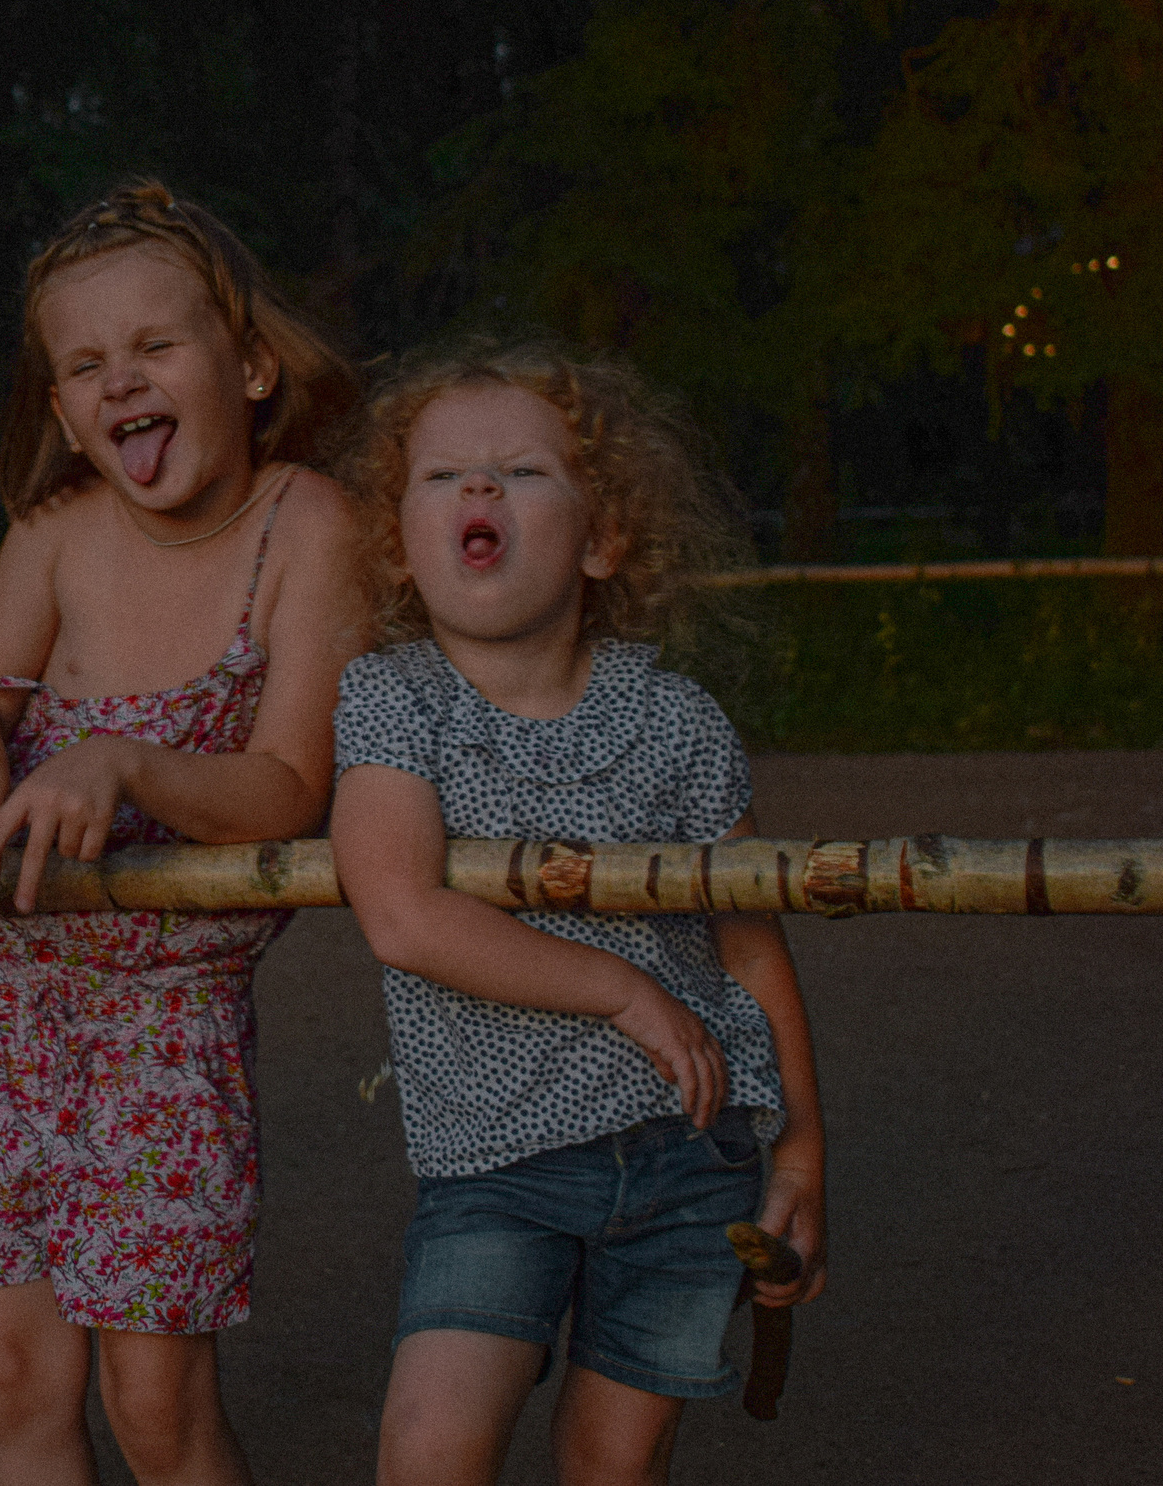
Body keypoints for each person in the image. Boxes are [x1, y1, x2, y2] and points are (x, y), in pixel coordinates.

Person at [0, 180, 369, 1485]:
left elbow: (287, 786)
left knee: (153, 1397)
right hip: (4, 1002)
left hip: (171, 1017)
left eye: (155, 348)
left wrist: (126, 761)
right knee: (12, 1378)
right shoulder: (52, 531)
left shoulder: (306, 527)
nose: (122, 382)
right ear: (60, 408)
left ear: (254, 363)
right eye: (85, 363)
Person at [328, 341, 829, 1486]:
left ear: (604, 537)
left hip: (689, 1157)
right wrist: (622, 990)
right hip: (494, 1169)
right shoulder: (394, 700)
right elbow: (402, 913)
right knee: (427, 1451)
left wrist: (797, 1144)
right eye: (441, 475)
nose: (478, 490)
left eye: (520, 470)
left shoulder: (679, 721)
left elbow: (748, 941)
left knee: (615, 1466)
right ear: (399, 547)